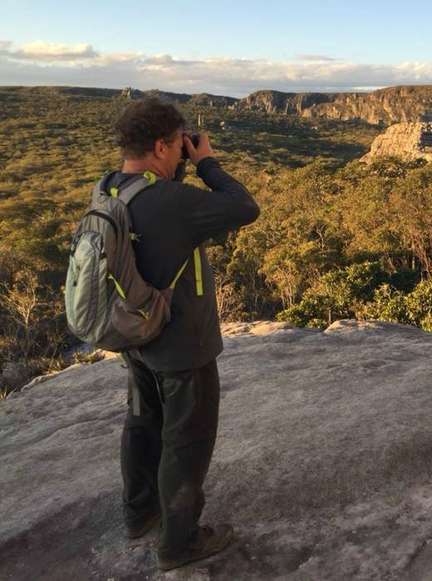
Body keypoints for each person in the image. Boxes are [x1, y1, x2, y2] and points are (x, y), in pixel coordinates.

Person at [109, 97, 259, 571]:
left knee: (142, 422)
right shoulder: (169, 200)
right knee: (187, 441)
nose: (182, 154)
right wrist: (207, 161)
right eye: (177, 147)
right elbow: (243, 207)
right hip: (181, 344)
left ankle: (140, 513)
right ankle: (180, 541)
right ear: (160, 146)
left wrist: (182, 163)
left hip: (136, 336)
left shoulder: (112, 188)